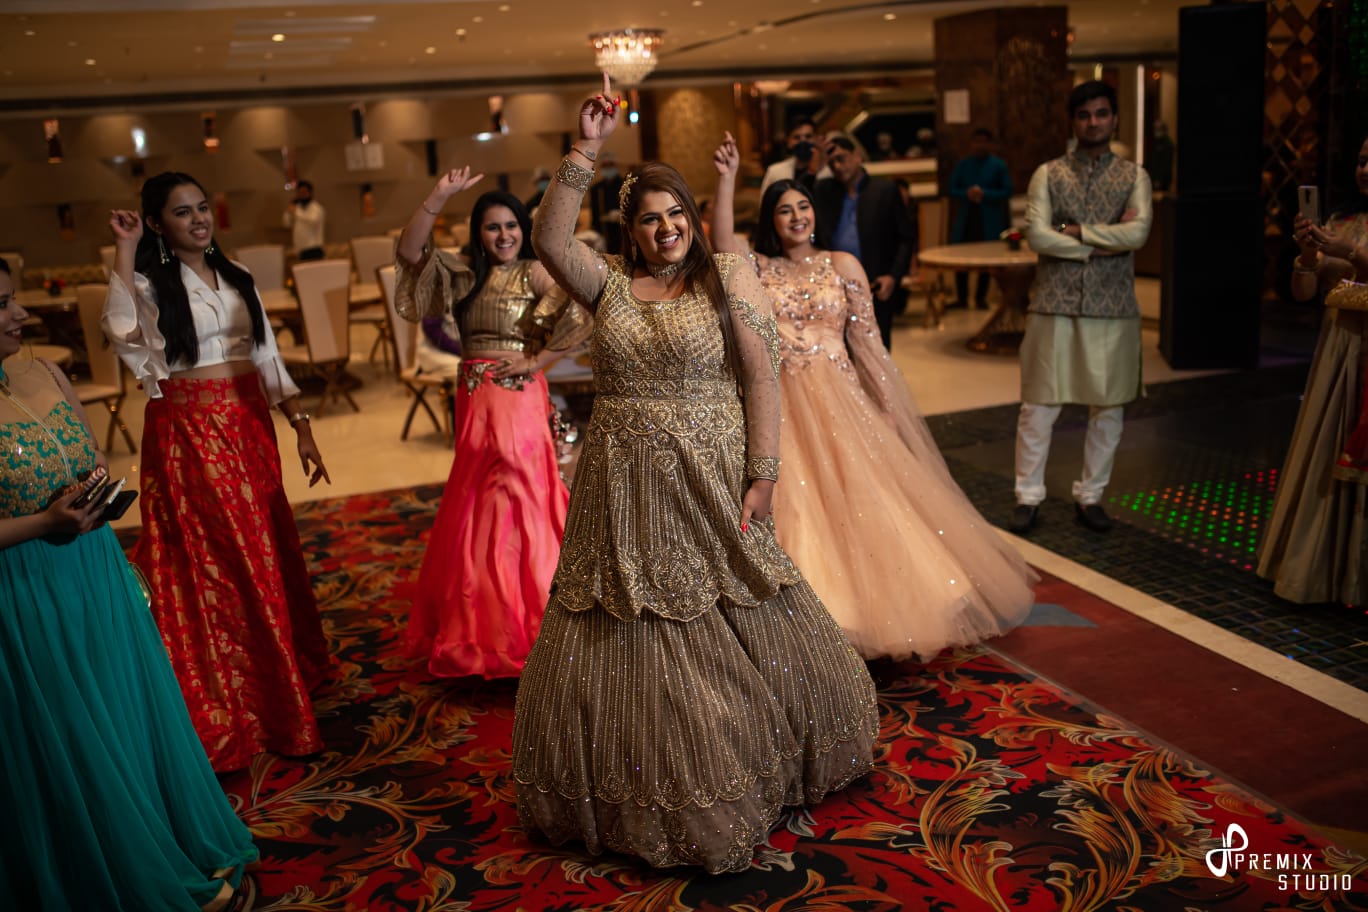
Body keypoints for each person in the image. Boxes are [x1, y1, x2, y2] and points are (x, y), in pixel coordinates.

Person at [512, 76, 878, 873]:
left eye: (677, 215)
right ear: (632, 231)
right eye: (651, 219)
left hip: (710, 476)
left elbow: (761, 377)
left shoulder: (728, 278)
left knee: (733, 608)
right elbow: (546, 240)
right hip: (622, 486)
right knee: (625, 619)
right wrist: (587, 150)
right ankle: (630, 780)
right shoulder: (605, 283)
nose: (668, 228)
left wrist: (764, 474)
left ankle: (749, 755)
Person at [711, 133, 1034, 660]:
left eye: (804, 207)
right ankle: (811, 622)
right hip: (781, 405)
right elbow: (724, 246)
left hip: (841, 401)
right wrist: (728, 179)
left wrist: (887, 408)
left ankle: (876, 617)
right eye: (784, 210)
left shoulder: (843, 265)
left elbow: (869, 347)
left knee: (865, 507)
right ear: (770, 221)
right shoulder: (758, 271)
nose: (796, 217)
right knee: (800, 512)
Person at [0, 256, 257, 911]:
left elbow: (92, 460)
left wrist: (96, 507)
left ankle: (161, 840)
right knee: (72, 737)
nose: (20, 314)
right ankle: (112, 876)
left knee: (121, 717)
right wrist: (40, 524)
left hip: (94, 570)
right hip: (26, 589)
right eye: (2, 305)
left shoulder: (42, 369)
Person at [104, 171, 333, 772]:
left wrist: (300, 423)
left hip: (249, 424)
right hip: (190, 431)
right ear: (158, 223)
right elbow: (122, 334)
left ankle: (275, 680)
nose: (198, 219)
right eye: (182, 213)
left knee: (262, 546)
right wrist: (125, 251)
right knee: (220, 555)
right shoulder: (151, 284)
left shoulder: (238, 278)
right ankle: (233, 696)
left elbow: (266, 354)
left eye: (202, 208)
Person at [395, 172, 592, 678]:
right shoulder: (463, 274)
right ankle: (483, 624)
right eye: (492, 228)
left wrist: (538, 361)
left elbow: (583, 311)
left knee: (523, 493)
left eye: (511, 226)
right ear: (478, 234)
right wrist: (438, 196)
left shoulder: (535, 272)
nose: (504, 235)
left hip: (519, 395)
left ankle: (533, 624)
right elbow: (411, 250)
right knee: (478, 499)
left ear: (522, 229)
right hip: (475, 396)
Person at [1009, 81, 1153, 535]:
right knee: (1038, 405)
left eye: (1102, 113)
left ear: (1114, 118)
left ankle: (1091, 496)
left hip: (1113, 308)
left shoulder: (1135, 176)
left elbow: (1138, 235)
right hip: (1053, 301)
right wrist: (1101, 243)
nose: (1094, 122)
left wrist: (1075, 233)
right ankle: (1027, 496)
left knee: (1108, 407)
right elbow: (1037, 236)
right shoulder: (1048, 173)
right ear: (1073, 122)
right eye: (1085, 115)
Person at [1257, 136, 1368, 606]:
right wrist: (1306, 256)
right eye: (1362, 158)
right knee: (1325, 453)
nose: (1366, 168)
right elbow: (1303, 291)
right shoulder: (1342, 221)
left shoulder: (1346, 234)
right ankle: (1320, 571)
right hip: (1337, 352)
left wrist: (1354, 252)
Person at [814, 134, 915, 349]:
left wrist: (893, 277)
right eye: (832, 163)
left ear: (858, 157)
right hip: (834, 284)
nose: (838, 166)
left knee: (877, 349)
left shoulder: (884, 190)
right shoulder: (824, 191)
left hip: (875, 283)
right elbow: (799, 190)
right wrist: (818, 162)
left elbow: (906, 238)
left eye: (842, 158)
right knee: (838, 349)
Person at [949, 127, 1013, 309]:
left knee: (985, 259)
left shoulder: (998, 166)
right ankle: (961, 298)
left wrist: (985, 194)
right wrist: (967, 193)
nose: (980, 145)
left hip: (988, 218)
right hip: (967, 218)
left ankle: (980, 298)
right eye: (977, 141)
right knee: (961, 259)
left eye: (984, 141)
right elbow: (952, 189)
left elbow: (1006, 191)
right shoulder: (964, 165)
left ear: (990, 144)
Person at [760, 116, 831, 194]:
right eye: (797, 137)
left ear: (816, 139)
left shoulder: (830, 172)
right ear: (788, 142)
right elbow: (765, 204)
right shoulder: (774, 171)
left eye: (808, 136)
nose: (803, 141)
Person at [588, 152, 626, 254]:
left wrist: (620, 214)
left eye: (610, 165)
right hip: (604, 231)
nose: (608, 168)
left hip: (623, 230)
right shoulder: (597, 189)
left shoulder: (625, 184)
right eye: (605, 166)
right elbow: (594, 212)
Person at [284, 179, 326, 260]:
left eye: (304, 192)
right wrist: (289, 212)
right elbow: (286, 223)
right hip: (301, 250)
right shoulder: (298, 207)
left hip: (314, 249)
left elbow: (313, 220)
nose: (301, 195)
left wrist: (296, 212)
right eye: (299, 193)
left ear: (310, 193)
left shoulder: (316, 208)